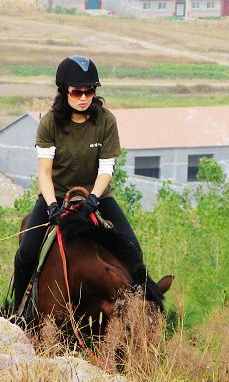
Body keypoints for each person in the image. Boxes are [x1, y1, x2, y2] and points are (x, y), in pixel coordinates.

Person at [12, 55, 145, 312]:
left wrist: (93, 200)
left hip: (98, 197)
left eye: (89, 91)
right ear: (65, 92)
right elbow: (44, 172)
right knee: (26, 253)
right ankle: (18, 310)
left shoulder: (106, 121)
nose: (84, 97)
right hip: (57, 196)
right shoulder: (50, 123)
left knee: (133, 251)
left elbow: (106, 168)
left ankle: (136, 313)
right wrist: (51, 206)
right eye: (77, 92)